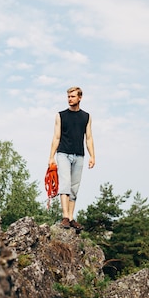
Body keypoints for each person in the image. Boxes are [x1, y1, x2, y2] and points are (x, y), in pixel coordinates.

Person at [48, 86, 95, 229]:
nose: (70, 99)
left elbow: (89, 138)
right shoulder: (60, 115)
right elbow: (56, 137)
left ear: (80, 98)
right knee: (65, 185)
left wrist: (92, 156)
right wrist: (51, 157)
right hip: (63, 153)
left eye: (73, 96)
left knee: (74, 188)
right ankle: (65, 217)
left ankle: (71, 218)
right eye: (68, 97)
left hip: (79, 155)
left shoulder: (86, 116)